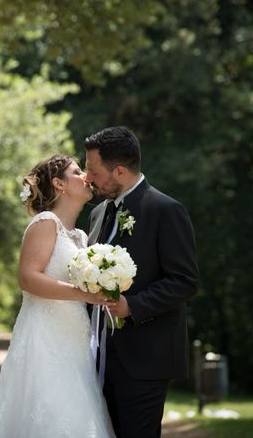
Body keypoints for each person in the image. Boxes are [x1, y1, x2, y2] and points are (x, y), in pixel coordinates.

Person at [0, 155, 115, 438]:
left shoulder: (79, 236)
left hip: (75, 338)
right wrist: (85, 295)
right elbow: (28, 278)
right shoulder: (45, 223)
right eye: (77, 172)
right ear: (58, 183)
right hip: (44, 337)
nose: (87, 176)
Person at [83, 126, 200, 438]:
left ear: (119, 171)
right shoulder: (97, 214)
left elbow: (185, 281)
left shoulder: (166, 210)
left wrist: (132, 305)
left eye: (93, 170)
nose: (88, 178)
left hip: (146, 358)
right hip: (99, 359)